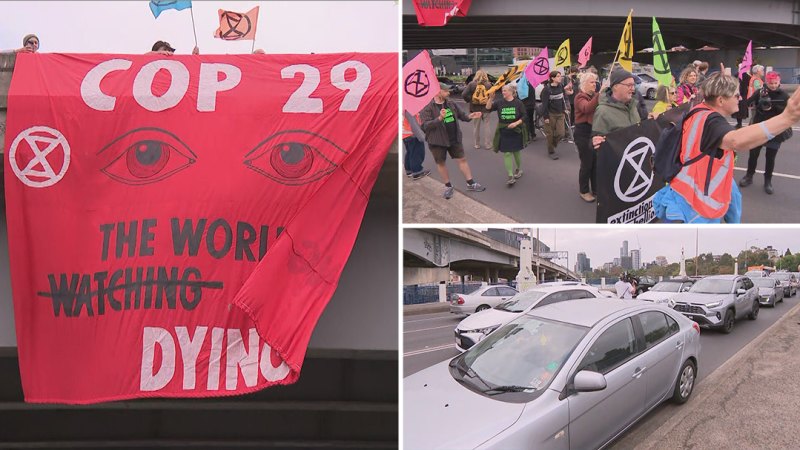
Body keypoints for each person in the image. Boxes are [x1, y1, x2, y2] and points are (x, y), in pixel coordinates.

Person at [653, 72, 800, 223]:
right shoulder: (712, 121)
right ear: (721, 100)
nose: (740, 98)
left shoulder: (698, 111)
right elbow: (736, 140)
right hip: (696, 207)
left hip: (686, 194)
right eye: (736, 95)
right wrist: (787, 118)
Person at [419, 83, 487, 199]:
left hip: (454, 138)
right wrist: (439, 118)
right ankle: (448, 186)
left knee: (462, 159)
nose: (449, 93)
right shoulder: (428, 107)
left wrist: (471, 116)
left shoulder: (451, 103)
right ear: (438, 91)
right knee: (441, 163)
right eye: (446, 91)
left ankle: (470, 183)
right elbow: (425, 126)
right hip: (437, 141)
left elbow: (462, 116)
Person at [739, 71, 790, 194]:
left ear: (779, 82)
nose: (773, 85)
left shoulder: (784, 95)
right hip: (759, 128)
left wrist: (772, 107)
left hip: (775, 130)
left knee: (770, 157)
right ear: (766, 82)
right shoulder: (761, 92)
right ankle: (749, 176)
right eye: (770, 83)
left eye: (775, 83)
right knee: (753, 154)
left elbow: (788, 112)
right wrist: (744, 100)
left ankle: (768, 181)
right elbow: (748, 101)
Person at [574, 72, 608, 202]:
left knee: (596, 162)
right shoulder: (579, 97)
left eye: (595, 82)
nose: (595, 84)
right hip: (583, 132)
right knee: (587, 163)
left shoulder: (594, 95)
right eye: (592, 82)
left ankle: (596, 188)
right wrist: (600, 93)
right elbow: (586, 108)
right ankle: (583, 191)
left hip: (594, 131)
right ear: (584, 84)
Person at [486, 84, 528, 186]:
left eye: (505, 90)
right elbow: (488, 108)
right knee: (507, 153)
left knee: (516, 152)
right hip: (504, 130)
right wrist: (490, 99)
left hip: (516, 130)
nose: (503, 92)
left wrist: (516, 123)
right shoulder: (500, 102)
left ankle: (518, 169)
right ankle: (510, 175)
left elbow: (524, 116)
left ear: (511, 92)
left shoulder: (518, 103)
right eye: (502, 90)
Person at [590, 69, 641, 150]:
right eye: (629, 85)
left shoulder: (633, 106)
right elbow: (597, 145)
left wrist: (652, 119)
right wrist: (595, 143)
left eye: (633, 85)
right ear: (616, 86)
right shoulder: (603, 111)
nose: (633, 89)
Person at [461, 70, 493, 150]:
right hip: (486, 108)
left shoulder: (471, 84)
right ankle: (488, 144)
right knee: (487, 126)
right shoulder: (489, 85)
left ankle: (477, 144)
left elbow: (464, 94)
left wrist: (469, 100)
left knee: (476, 127)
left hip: (475, 108)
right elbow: (491, 96)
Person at [540, 71, 569, 159]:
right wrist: (546, 117)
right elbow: (544, 104)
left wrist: (565, 109)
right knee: (550, 134)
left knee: (561, 133)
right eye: (558, 76)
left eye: (560, 76)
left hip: (560, 114)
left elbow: (562, 99)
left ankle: (552, 144)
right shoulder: (547, 89)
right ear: (552, 78)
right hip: (550, 114)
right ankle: (551, 151)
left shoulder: (561, 86)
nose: (560, 78)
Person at [402, 111, 431, 180]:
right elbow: (413, 125)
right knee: (416, 153)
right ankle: (417, 172)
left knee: (410, 153)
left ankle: (409, 170)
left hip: (405, 135)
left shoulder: (404, 108)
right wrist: (421, 137)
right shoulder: (410, 110)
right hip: (413, 135)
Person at [734, 58, 752, 128]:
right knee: (741, 109)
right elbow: (750, 84)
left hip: (737, 94)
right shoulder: (747, 76)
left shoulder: (736, 75)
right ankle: (739, 123)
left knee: (738, 109)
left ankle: (739, 123)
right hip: (744, 94)